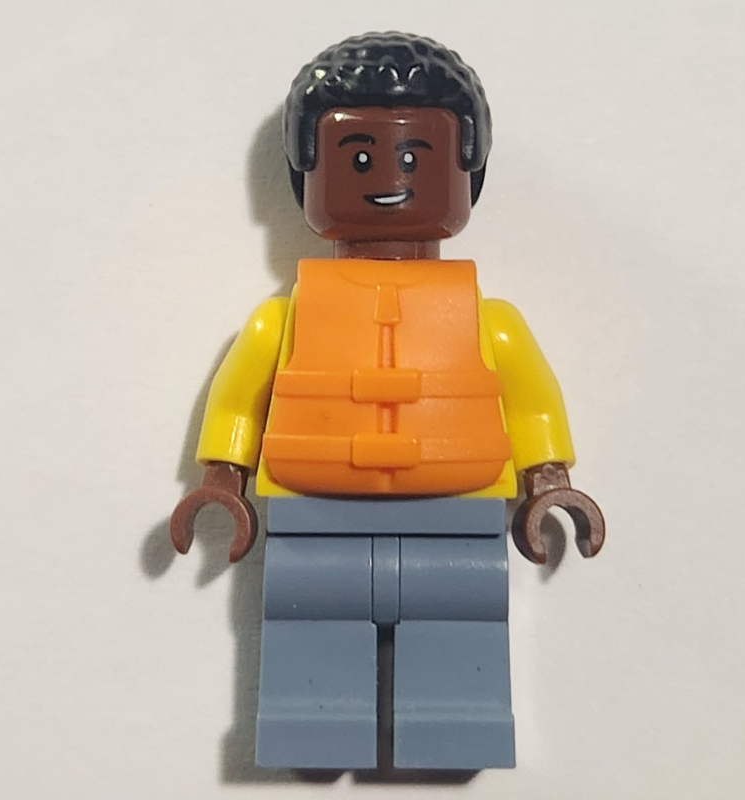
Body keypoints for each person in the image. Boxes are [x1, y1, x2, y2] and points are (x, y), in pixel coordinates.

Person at [171, 31, 604, 771]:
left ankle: (455, 730)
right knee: (310, 628)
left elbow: (533, 404)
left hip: (461, 513)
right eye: (358, 158)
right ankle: (312, 728)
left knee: (460, 627)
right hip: (312, 514)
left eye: (415, 157)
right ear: (307, 172)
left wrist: (549, 481)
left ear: (468, 170)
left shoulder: (491, 321)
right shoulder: (284, 318)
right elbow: (239, 401)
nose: (388, 179)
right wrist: (221, 480)